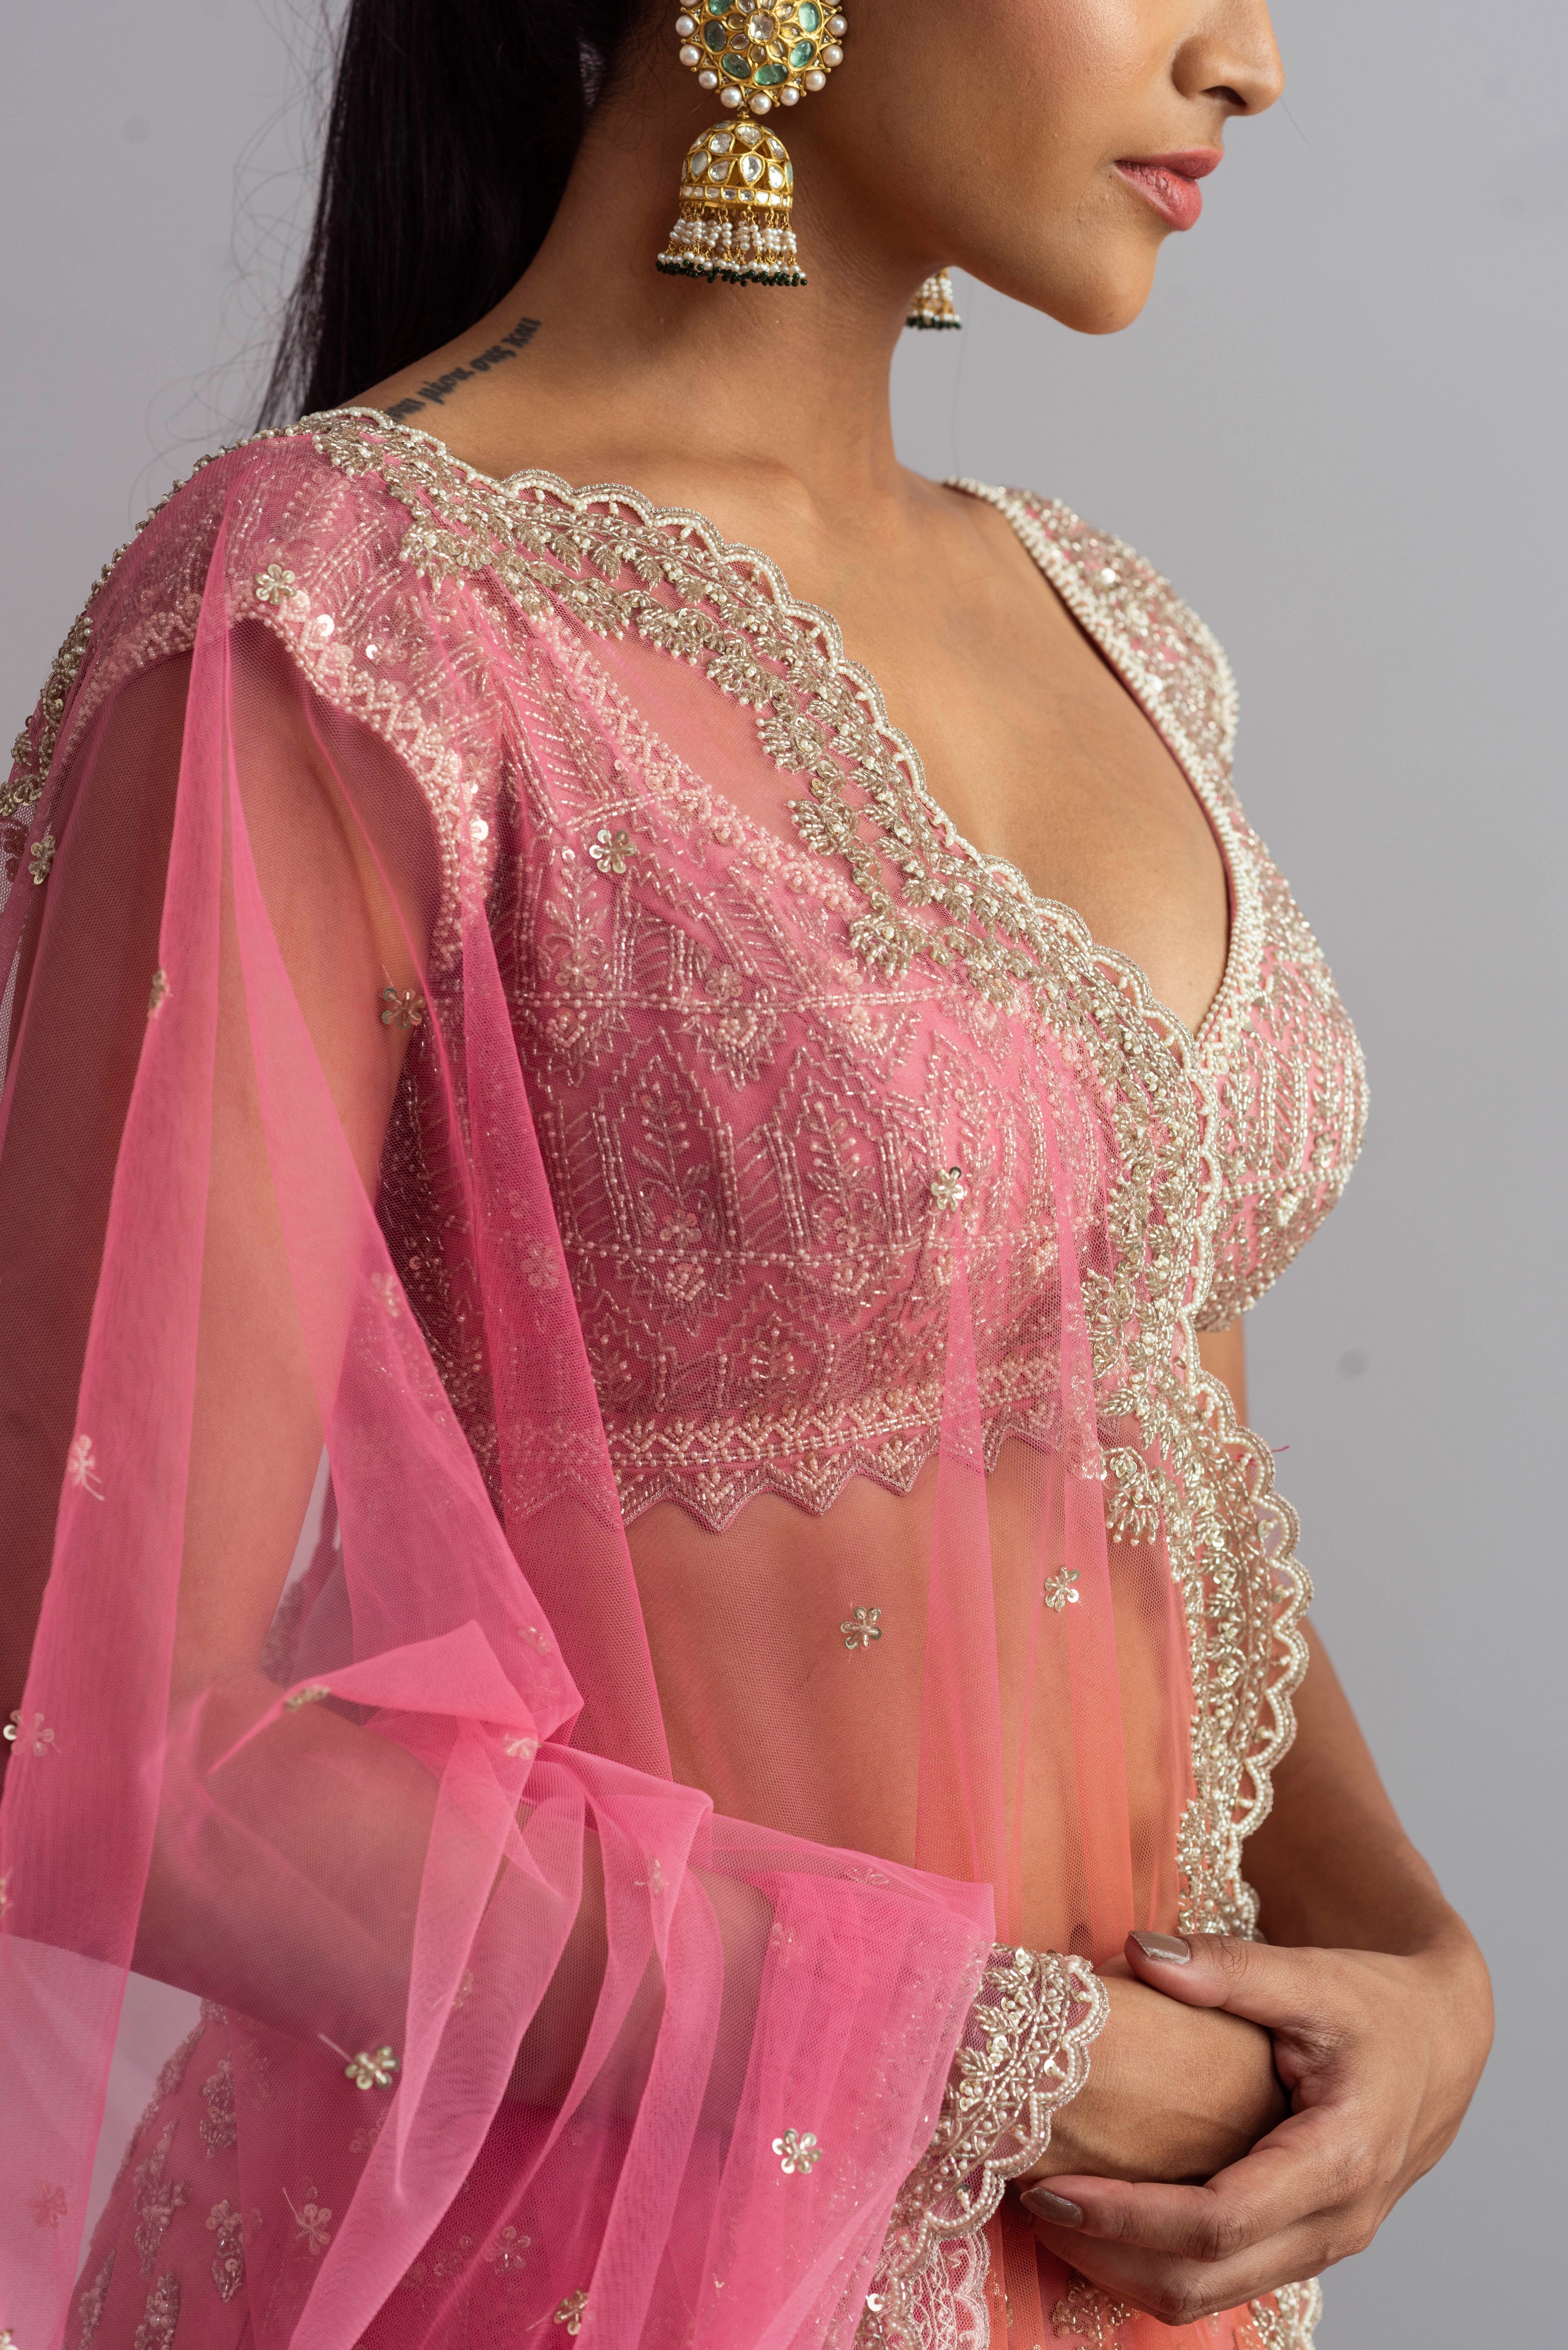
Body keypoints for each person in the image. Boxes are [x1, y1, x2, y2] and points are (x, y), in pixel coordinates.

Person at [0, 5, 1493, 2347]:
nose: (1250, 57)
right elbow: (120, 1745)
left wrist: (1413, 1963)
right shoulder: (349, 622)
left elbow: (1163, 1463)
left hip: (1131, 2286)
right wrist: (1011, 2059)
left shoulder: (1111, 626)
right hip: (593, 2265)